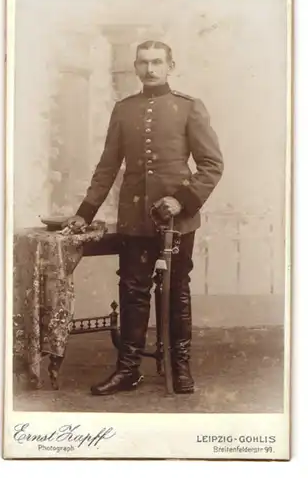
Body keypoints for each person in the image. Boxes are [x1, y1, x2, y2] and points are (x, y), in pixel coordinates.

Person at [67, 40, 224, 396]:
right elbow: (107, 167)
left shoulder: (189, 108)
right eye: (143, 63)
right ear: (136, 68)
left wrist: (181, 200)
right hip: (135, 217)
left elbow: (212, 165)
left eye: (157, 62)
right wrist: (84, 212)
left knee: (176, 292)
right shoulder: (124, 110)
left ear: (171, 65)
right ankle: (128, 370)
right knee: (133, 291)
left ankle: (179, 366)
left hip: (176, 221)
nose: (150, 69)